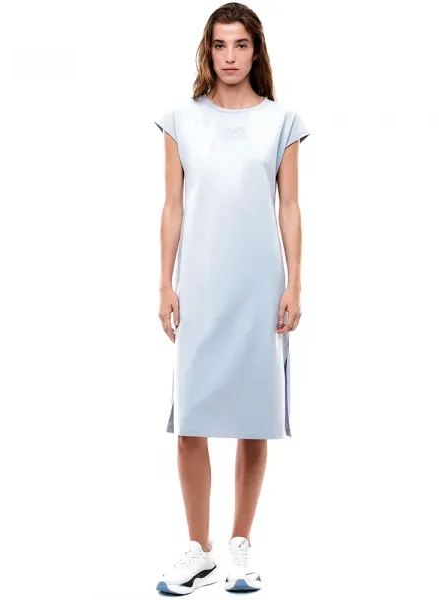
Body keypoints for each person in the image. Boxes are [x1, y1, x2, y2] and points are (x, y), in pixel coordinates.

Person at [154, 2, 309, 595]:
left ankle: (240, 545)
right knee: (191, 417)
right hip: (200, 284)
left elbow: (289, 207)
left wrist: (295, 282)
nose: (229, 56)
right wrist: (164, 282)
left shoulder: (282, 122)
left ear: (256, 51)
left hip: (258, 285)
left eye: (240, 45)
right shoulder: (180, 120)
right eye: (220, 45)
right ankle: (199, 550)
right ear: (207, 50)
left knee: (253, 416)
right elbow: (173, 207)